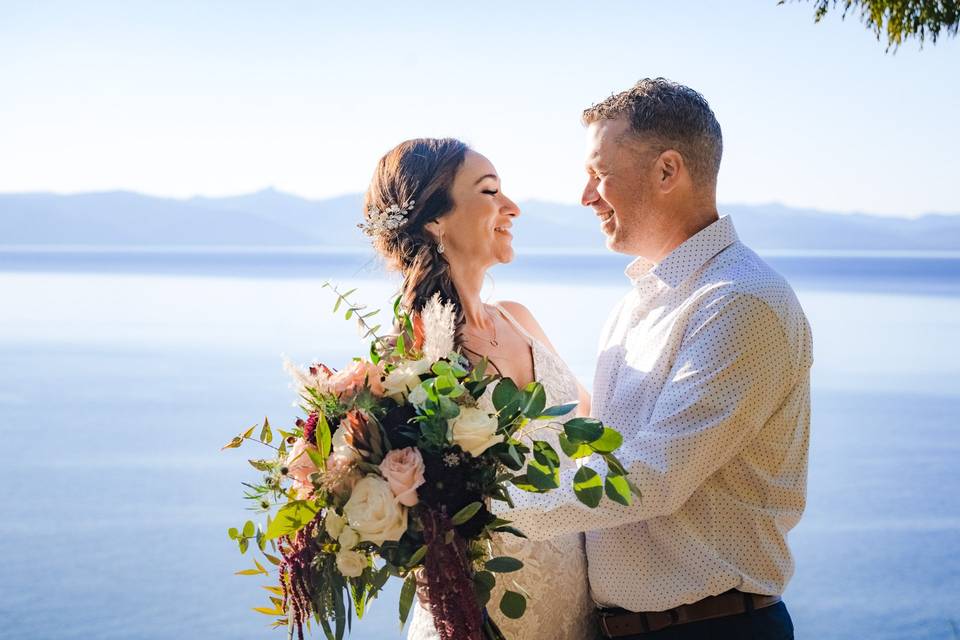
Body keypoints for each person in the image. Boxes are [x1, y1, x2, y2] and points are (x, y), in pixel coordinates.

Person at [497, 78, 813, 639]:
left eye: (599, 174)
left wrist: (487, 507)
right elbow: (595, 447)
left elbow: (653, 476)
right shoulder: (635, 307)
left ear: (668, 171)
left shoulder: (739, 302)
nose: (585, 196)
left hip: (711, 629)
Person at [358, 138, 598, 640]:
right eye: (490, 192)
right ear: (435, 221)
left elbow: (592, 429)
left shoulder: (521, 319)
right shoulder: (407, 358)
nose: (512, 207)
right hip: (479, 620)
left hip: (580, 612)